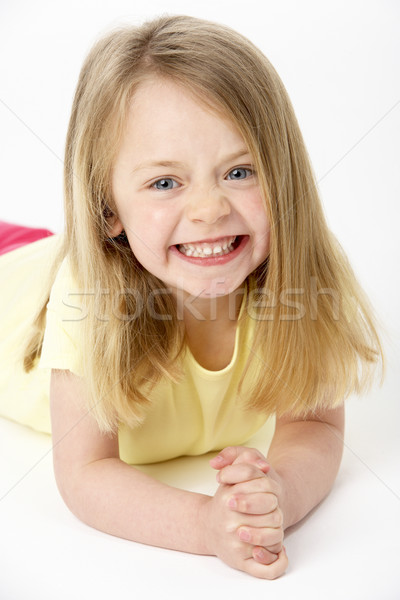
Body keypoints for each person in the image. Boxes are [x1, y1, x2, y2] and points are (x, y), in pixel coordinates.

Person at [0, 15, 384, 579]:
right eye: (165, 182)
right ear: (108, 212)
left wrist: (275, 495)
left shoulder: (299, 277)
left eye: (240, 171)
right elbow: (85, 472)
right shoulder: (89, 295)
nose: (208, 210)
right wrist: (205, 524)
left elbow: (316, 428)